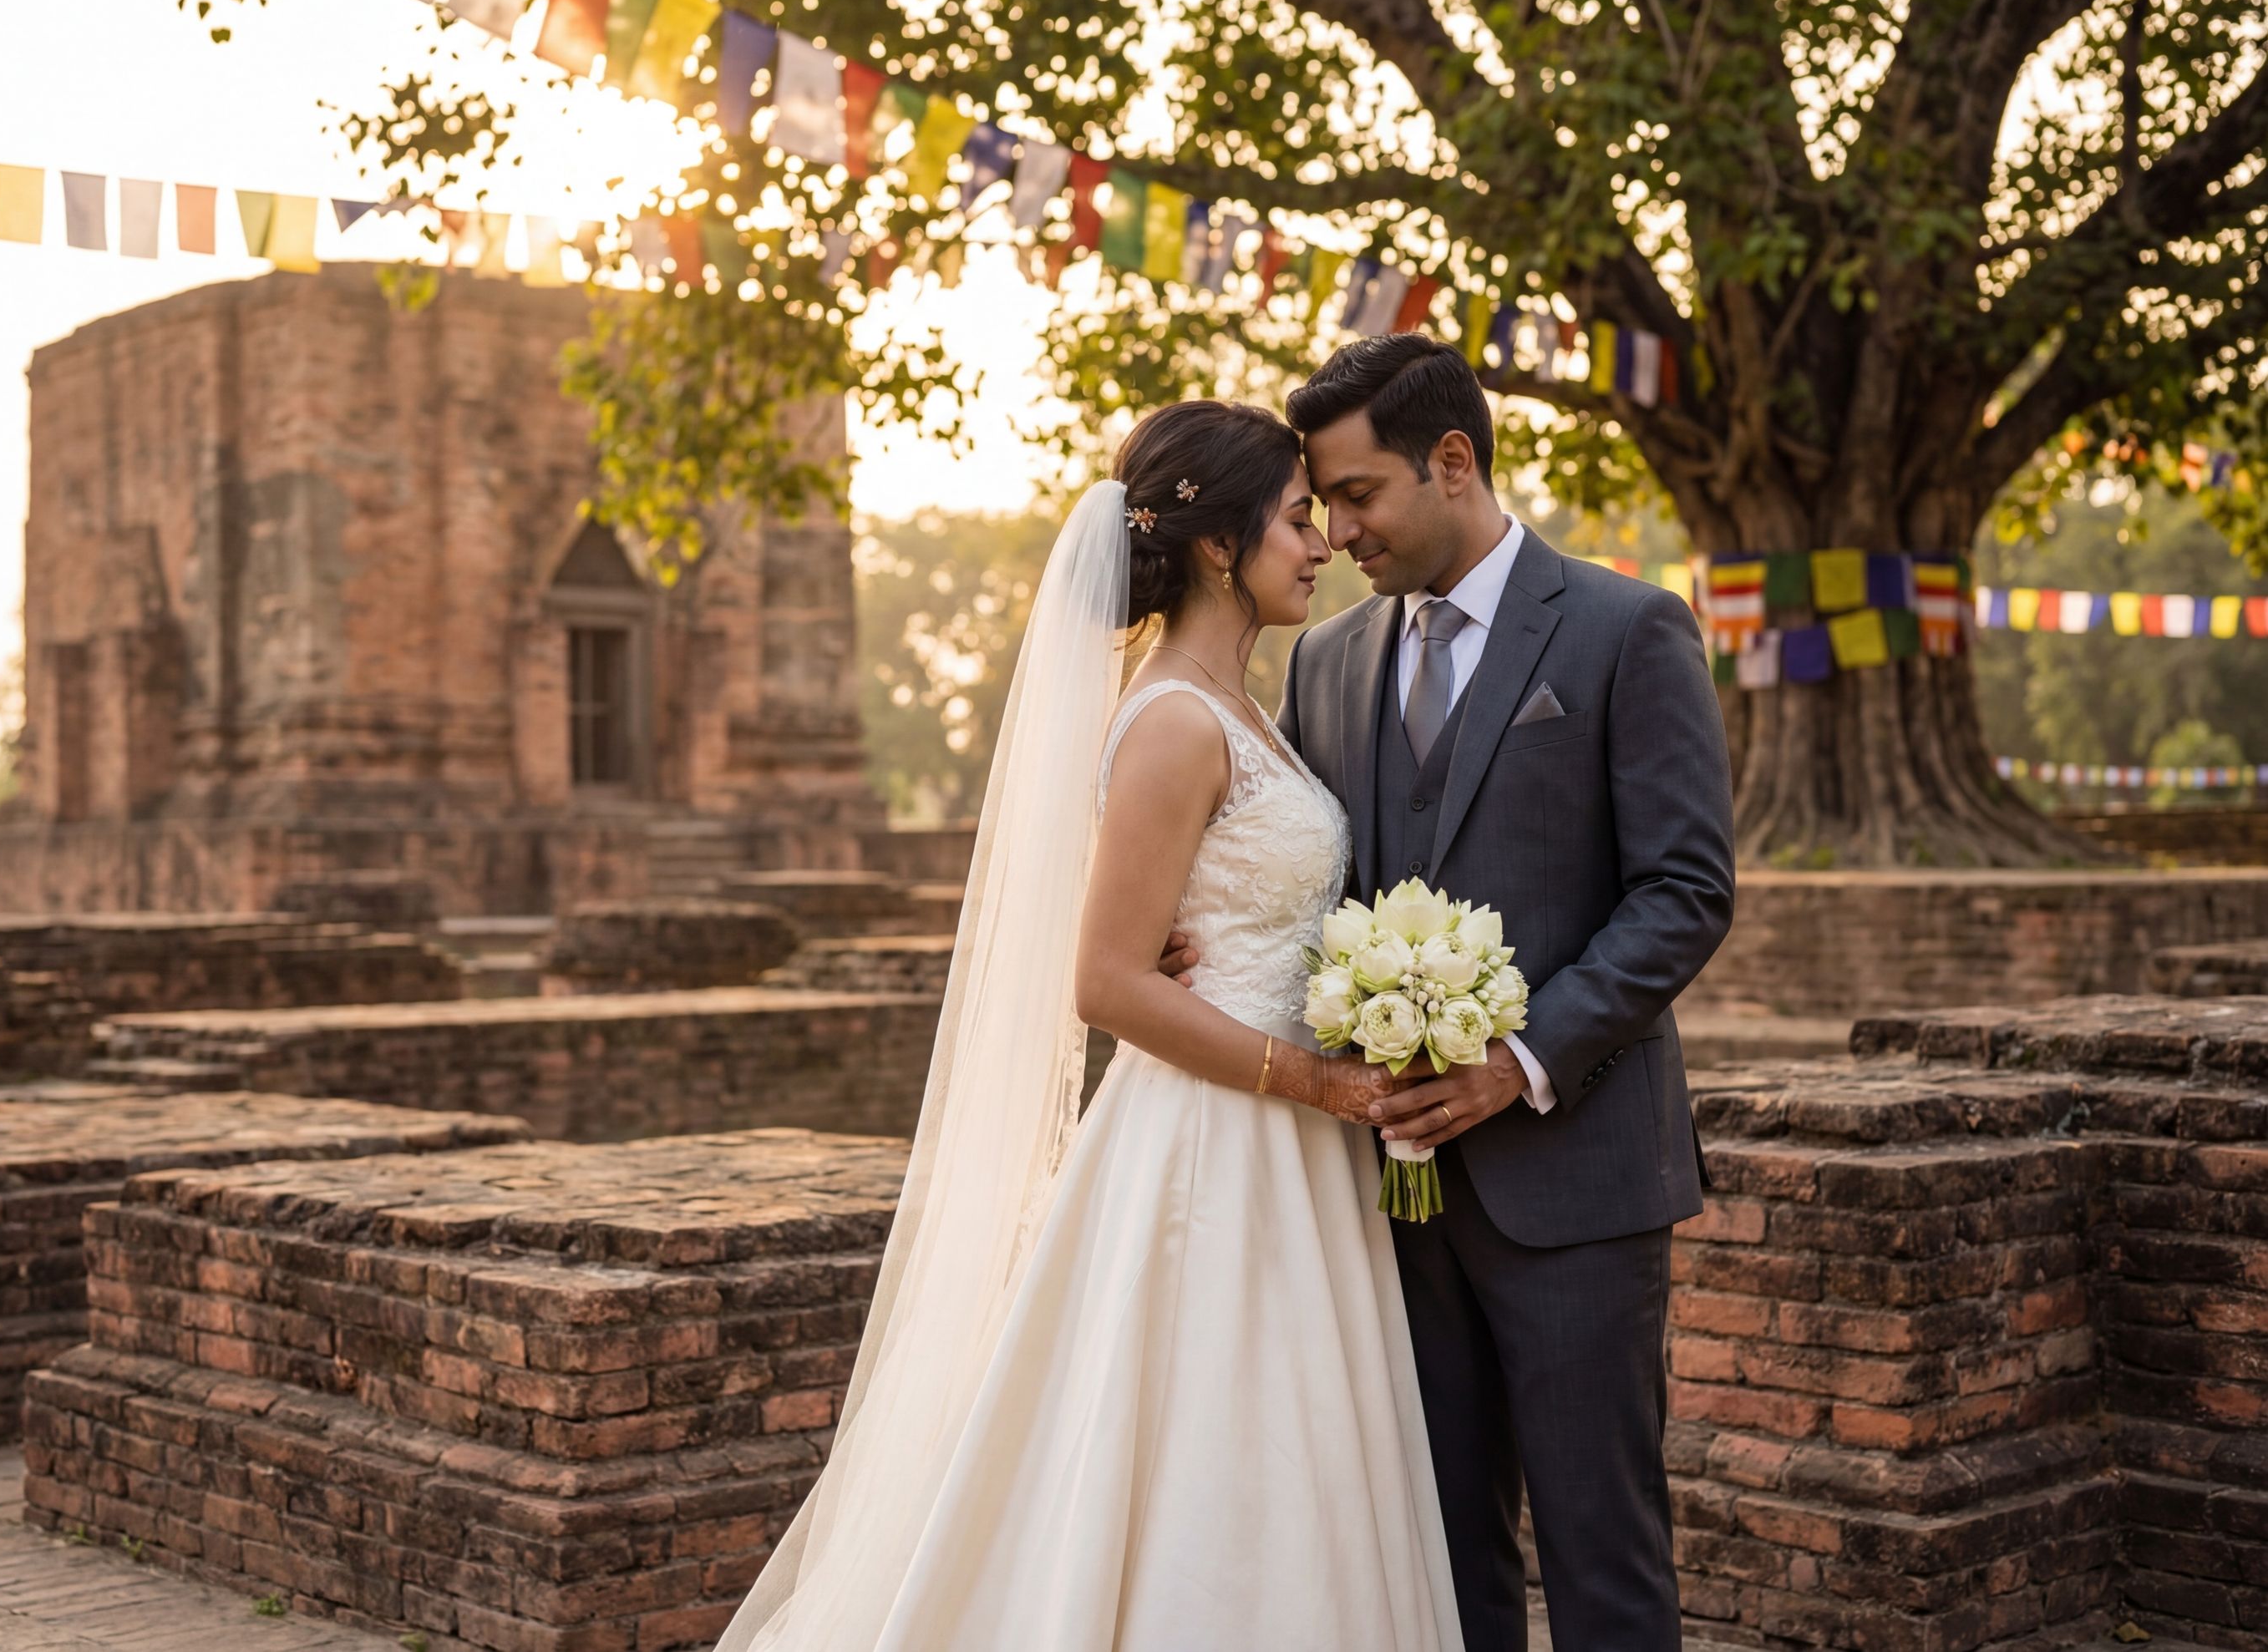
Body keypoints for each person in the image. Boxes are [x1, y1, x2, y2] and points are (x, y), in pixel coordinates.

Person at [718, 399, 1468, 1651]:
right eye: (1298, 519)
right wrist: (1319, 1082)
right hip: (1220, 1141)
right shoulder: (1174, 717)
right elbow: (1109, 984)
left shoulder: (1243, 706)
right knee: (1211, 1446)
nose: (1322, 543)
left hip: (1294, 1142)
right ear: (1219, 545)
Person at [1272, 331, 1736, 1649]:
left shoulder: (1626, 627)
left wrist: (1517, 1062)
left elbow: (1684, 890)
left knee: (1603, 1554)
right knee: (1434, 1557)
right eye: (1324, 503)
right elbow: (1303, 879)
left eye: (1357, 494)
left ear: (1452, 461)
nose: (1337, 531)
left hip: (1576, 1180)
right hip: (1388, 1196)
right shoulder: (1325, 660)